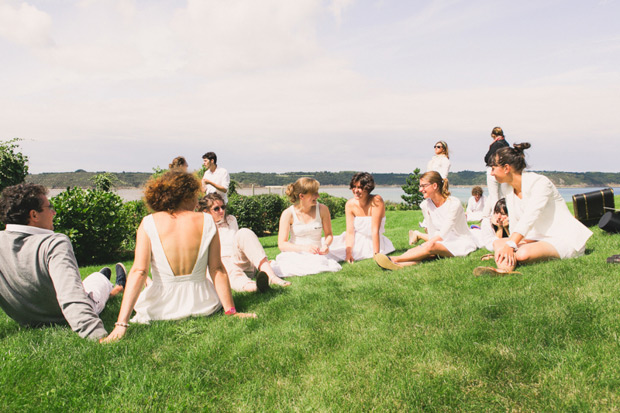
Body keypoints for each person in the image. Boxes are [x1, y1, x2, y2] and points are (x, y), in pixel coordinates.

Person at [102, 171, 255, 343]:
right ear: (185, 194)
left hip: (160, 308)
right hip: (204, 304)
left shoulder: (148, 223)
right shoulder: (206, 220)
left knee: (145, 277)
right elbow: (217, 269)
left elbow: (139, 271)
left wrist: (121, 324)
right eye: (195, 195)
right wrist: (230, 311)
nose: (197, 201)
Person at [0, 183, 126, 340]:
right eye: (49, 207)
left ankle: (108, 285)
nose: (53, 212)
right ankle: (116, 287)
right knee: (96, 279)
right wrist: (97, 335)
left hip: (27, 319)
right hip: (63, 317)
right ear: (34, 215)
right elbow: (70, 294)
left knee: (89, 283)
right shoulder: (53, 243)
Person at [474, 143, 593, 276]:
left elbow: (530, 216)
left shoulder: (540, 183)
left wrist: (511, 245)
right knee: (498, 243)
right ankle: (503, 269)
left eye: (493, 168)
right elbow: (514, 221)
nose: (491, 173)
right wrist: (508, 245)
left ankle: (505, 268)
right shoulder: (507, 188)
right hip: (535, 237)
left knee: (523, 254)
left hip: (560, 237)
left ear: (506, 168)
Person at [374, 171, 477, 270]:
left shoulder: (454, 204)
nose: (420, 189)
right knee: (420, 251)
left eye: (423, 186)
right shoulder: (425, 205)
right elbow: (432, 231)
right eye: (420, 186)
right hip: (440, 242)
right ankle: (399, 266)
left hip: (459, 242)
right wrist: (422, 247)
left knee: (429, 247)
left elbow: (444, 233)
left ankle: (393, 259)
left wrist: (427, 245)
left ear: (435, 186)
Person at [198, 193, 290, 291]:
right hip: (224, 267)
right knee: (226, 265)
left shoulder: (231, 220)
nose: (222, 211)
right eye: (216, 209)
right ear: (206, 212)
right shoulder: (201, 228)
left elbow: (237, 244)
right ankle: (256, 287)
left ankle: (272, 276)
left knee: (244, 232)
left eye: (223, 207)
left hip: (241, 262)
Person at [270, 178, 341, 277]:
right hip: (295, 253)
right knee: (288, 268)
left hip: (317, 254)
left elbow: (329, 235)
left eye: (317, 192)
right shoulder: (288, 213)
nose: (318, 196)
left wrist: (326, 245)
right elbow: (282, 244)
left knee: (317, 264)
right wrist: (305, 248)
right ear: (301, 196)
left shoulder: (322, 209)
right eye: (314, 194)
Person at [327, 172, 395, 263]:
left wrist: (376, 254)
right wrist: (348, 254)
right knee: (324, 246)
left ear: (368, 188)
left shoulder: (376, 200)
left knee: (332, 253)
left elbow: (375, 230)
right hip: (353, 240)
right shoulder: (350, 204)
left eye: (359, 187)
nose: (355, 190)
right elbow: (350, 232)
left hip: (372, 242)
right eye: (354, 187)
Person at [482, 127, 510, 218]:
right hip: (504, 170)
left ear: (493, 135)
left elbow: (487, 158)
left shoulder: (495, 144)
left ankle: (496, 214)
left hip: (493, 169)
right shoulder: (506, 144)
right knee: (503, 194)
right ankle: (488, 214)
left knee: (494, 194)